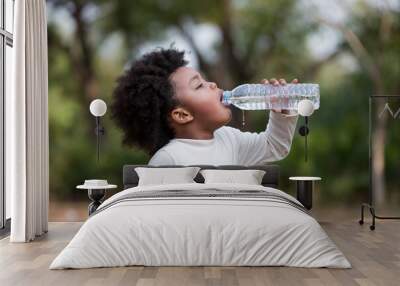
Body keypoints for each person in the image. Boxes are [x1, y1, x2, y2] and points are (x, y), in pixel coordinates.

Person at [110, 48, 299, 166]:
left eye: (205, 80)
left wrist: (281, 114)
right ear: (182, 115)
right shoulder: (168, 159)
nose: (213, 85)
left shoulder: (229, 138)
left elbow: (274, 147)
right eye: (199, 85)